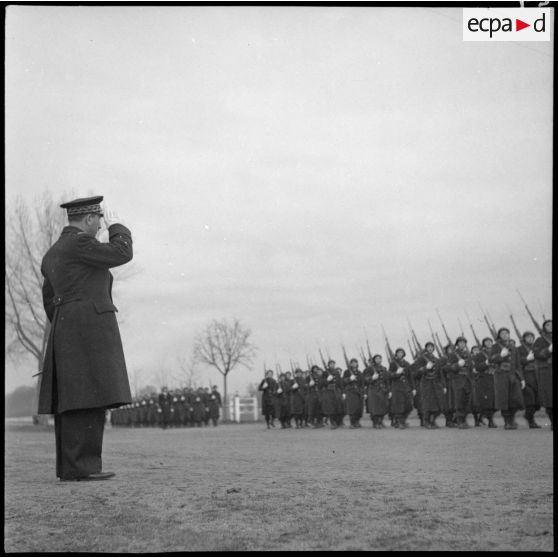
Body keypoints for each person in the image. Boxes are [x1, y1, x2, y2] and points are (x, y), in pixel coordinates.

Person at [38, 196, 133, 481]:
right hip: (88, 328)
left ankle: (73, 467)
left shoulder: (53, 252)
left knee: (74, 397)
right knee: (89, 396)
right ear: (89, 219)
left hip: (67, 327)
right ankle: (84, 467)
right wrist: (118, 226)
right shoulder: (79, 243)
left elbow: (47, 299)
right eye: (100, 220)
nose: (101, 225)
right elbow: (121, 253)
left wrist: (66, 324)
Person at [490, 327, 525, 430]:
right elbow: (491, 359)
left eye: (507, 333)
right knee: (504, 400)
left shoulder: (513, 347)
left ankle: (512, 419)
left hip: (512, 375)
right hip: (501, 376)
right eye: (502, 334)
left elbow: (518, 364)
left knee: (515, 399)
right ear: (499, 336)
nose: (505, 335)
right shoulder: (495, 346)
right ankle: (507, 422)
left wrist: (522, 379)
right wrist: (500, 356)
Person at [517, 332, 541, 428]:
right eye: (528, 337)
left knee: (538, 402)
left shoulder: (537, 348)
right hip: (526, 376)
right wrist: (526, 359)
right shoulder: (519, 349)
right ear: (524, 338)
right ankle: (531, 421)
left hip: (537, 376)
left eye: (532, 337)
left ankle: (528, 415)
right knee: (530, 400)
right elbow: (517, 363)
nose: (530, 338)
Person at [533, 319, 552, 429]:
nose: (551, 326)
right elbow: (537, 354)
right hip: (547, 371)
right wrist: (548, 350)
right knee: (549, 398)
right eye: (548, 325)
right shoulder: (540, 340)